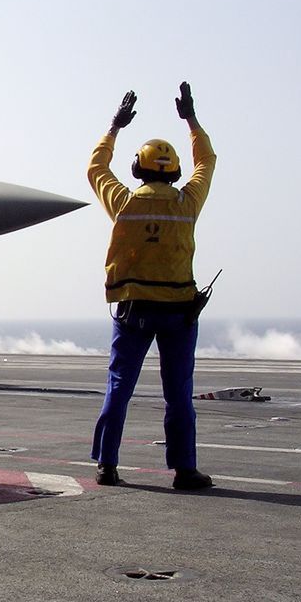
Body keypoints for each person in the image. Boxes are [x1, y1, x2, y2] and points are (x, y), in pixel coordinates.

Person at [88, 82, 216, 490]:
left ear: (137, 169)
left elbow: (96, 169)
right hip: (178, 313)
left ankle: (107, 465)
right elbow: (207, 160)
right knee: (178, 393)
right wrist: (191, 120)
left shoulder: (124, 202)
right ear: (174, 171)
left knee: (119, 387)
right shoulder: (187, 203)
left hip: (133, 312)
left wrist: (114, 126)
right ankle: (184, 470)